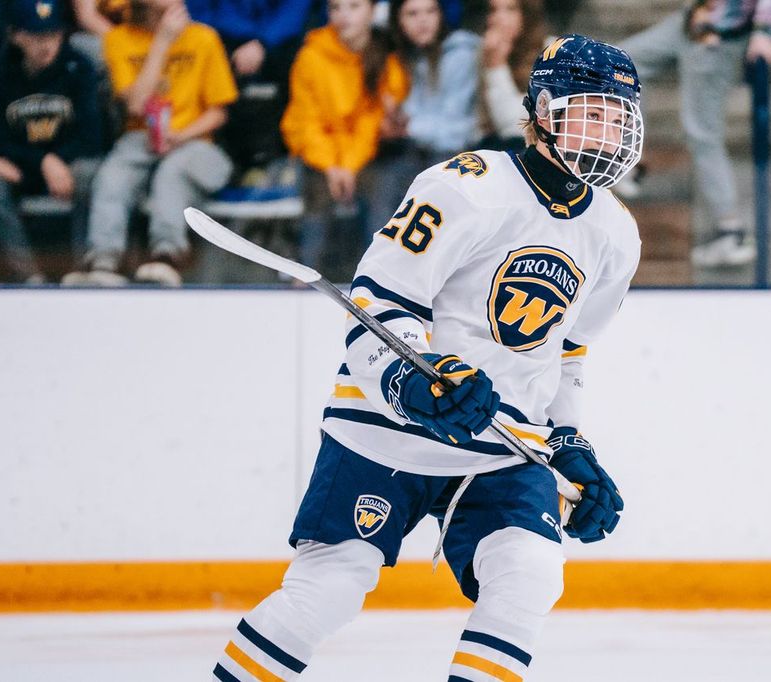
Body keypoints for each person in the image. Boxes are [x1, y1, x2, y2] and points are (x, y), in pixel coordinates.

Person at [212, 33, 640, 681]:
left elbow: (567, 352)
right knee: (328, 589)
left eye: (619, 118)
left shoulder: (614, 233)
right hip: (385, 434)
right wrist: (415, 383)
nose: (607, 133)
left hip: (504, 447)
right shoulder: (466, 187)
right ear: (545, 110)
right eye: (593, 111)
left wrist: (569, 442)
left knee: (528, 573)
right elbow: (377, 308)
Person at [63, 0, 238, 286]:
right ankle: (103, 260)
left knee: (171, 174)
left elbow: (218, 113)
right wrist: (163, 42)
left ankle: (166, 257)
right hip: (141, 136)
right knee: (112, 177)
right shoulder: (119, 39)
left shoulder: (203, 37)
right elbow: (135, 105)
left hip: (195, 139)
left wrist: (182, 135)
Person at [620, 0, 771, 268]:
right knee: (623, 64)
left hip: (718, 35)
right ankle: (626, 159)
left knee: (702, 132)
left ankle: (731, 231)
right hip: (691, 20)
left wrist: (764, 30)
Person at [280, 0, 409, 274]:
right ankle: (304, 278)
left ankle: (380, 279)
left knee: (381, 192)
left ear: (373, 11)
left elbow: (372, 123)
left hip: (365, 157)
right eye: (335, 8)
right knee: (316, 194)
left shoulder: (385, 59)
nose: (343, 15)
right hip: (320, 158)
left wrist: (348, 166)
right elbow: (305, 122)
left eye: (353, 6)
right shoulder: (311, 56)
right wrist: (332, 166)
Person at [0, 0, 103, 284]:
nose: (46, 45)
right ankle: (28, 275)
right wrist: (41, 162)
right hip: (23, 167)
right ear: (16, 36)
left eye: (53, 35)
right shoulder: (3, 75)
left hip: (69, 164)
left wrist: (56, 160)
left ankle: (82, 271)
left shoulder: (78, 67)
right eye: (36, 37)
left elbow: (94, 136)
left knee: (91, 175)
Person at [369, 0, 480, 228]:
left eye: (431, 11)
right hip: (417, 151)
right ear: (398, 21)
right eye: (412, 13)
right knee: (384, 181)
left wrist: (407, 126)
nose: (423, 20)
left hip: (462, 153)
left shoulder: (461, 54)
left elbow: (455, 129)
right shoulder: (409, 58)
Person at [185, 0, 313, 168]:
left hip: (283, 41)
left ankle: (287, 159)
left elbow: (296, 8)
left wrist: (264, 41)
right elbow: (199, 11)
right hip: (223, 38)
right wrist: (244, 38)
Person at [468, 0, 548, 151]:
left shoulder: (550, 53)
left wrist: (496, 66)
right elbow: (477, 125)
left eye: (510, 9)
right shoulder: (484, 50)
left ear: (528, 14)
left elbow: (516, 128)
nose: (499, 18)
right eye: (493, 10)